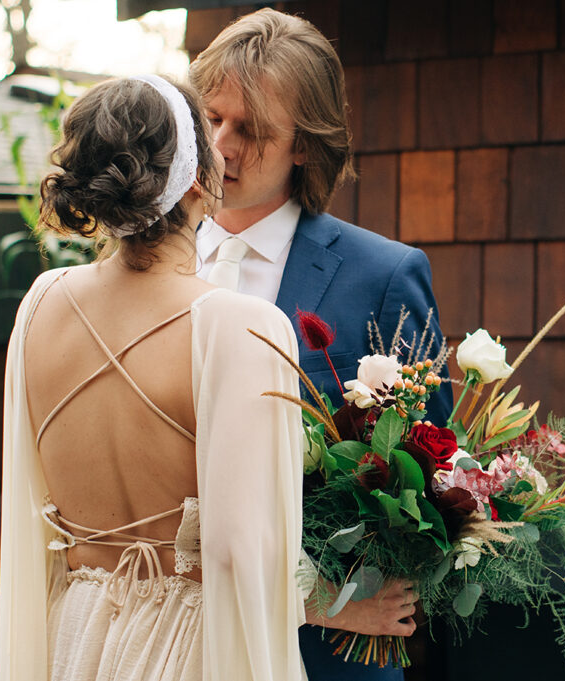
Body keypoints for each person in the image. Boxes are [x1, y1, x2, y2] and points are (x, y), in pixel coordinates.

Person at [0, 75, 305, 681]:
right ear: (195, 179)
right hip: (189, 649)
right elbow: (244, 556)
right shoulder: (242, 327)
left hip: (71, 634)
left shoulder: (40, 304)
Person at [188, 9, 452, 679]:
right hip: (173, 642)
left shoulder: (385, 275)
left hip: (328, 661)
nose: (220, 146)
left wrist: (343, 592)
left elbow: (433, 485)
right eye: (211, 118)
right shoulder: (150, 261)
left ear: (304, 144)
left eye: (251, 130)